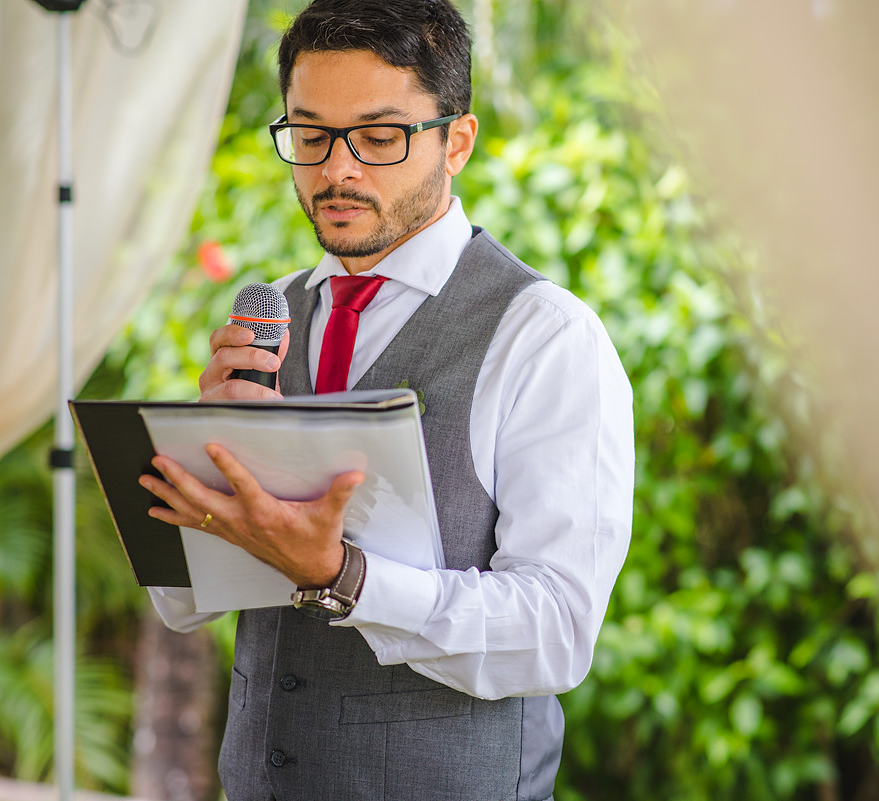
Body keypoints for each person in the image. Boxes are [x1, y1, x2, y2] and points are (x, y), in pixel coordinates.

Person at [138, 1, 634, 799]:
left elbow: (556, 632)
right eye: (311, 135)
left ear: (456, 142)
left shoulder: (546, 336)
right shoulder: (274, 314)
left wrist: (343, 574)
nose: (337, 169)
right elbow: (183, 602)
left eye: (378, 136)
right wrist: (211, 462)